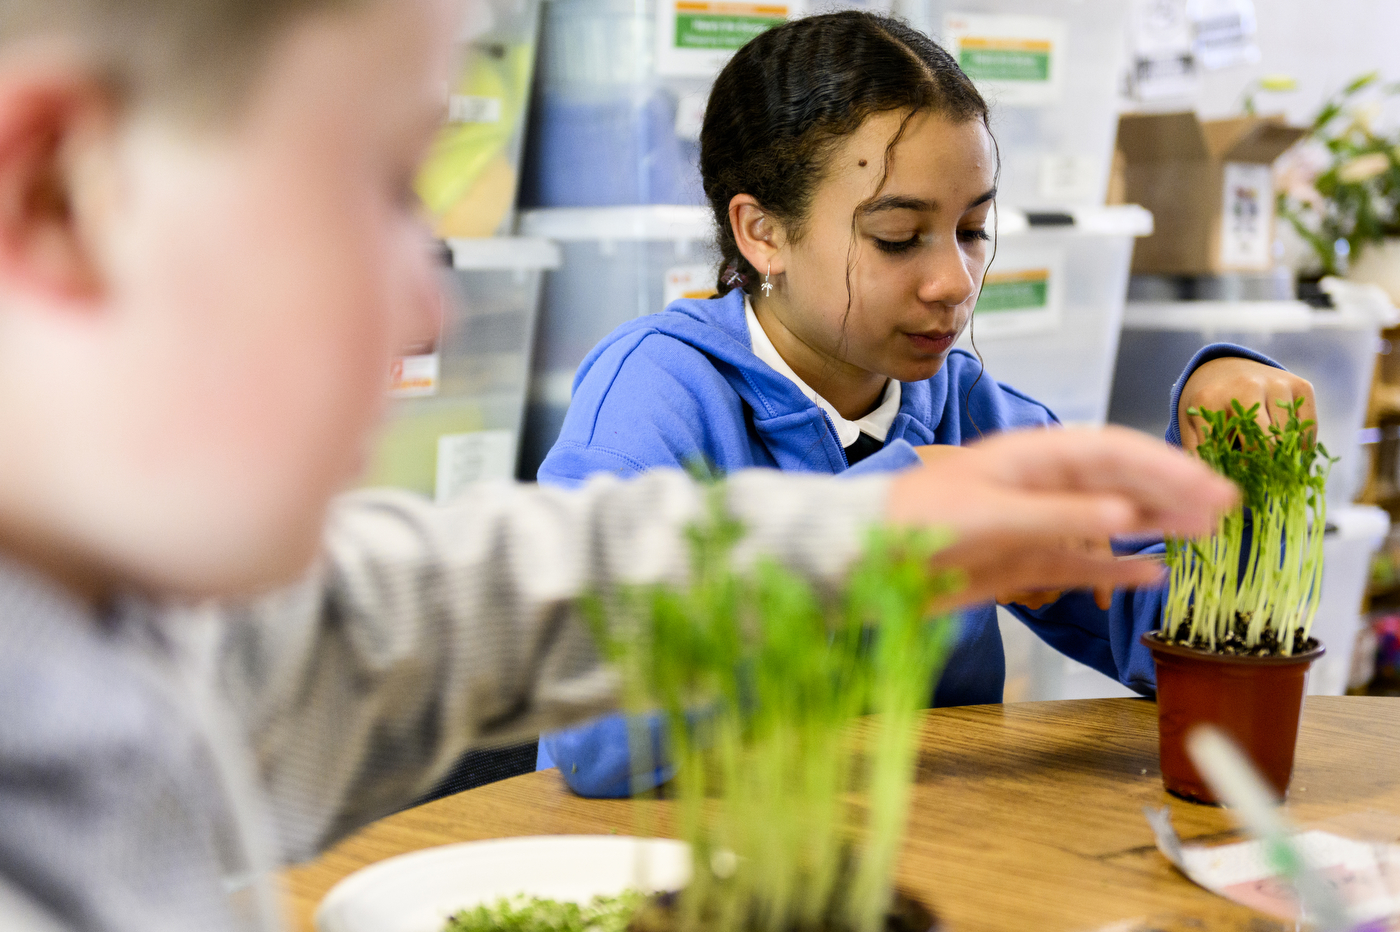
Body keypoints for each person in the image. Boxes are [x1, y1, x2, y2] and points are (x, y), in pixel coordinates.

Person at [0, 1, 1240, 930]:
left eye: (973, 233)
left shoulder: (152, 633)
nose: (430, 312)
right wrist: (887, 528)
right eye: (373, 185)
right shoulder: (659, 377)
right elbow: (591, 731)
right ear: (57, 195)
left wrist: (1207, 419)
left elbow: (454, 598)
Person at [532, 11, 1316, 797]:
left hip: (928, 871)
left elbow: (1172, 632)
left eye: (973, 228)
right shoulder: (655, 397)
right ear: (762, 232)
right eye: (899, 237)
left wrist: (1230, 457)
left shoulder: (965, 406)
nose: (956, 282)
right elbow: (598, 738)